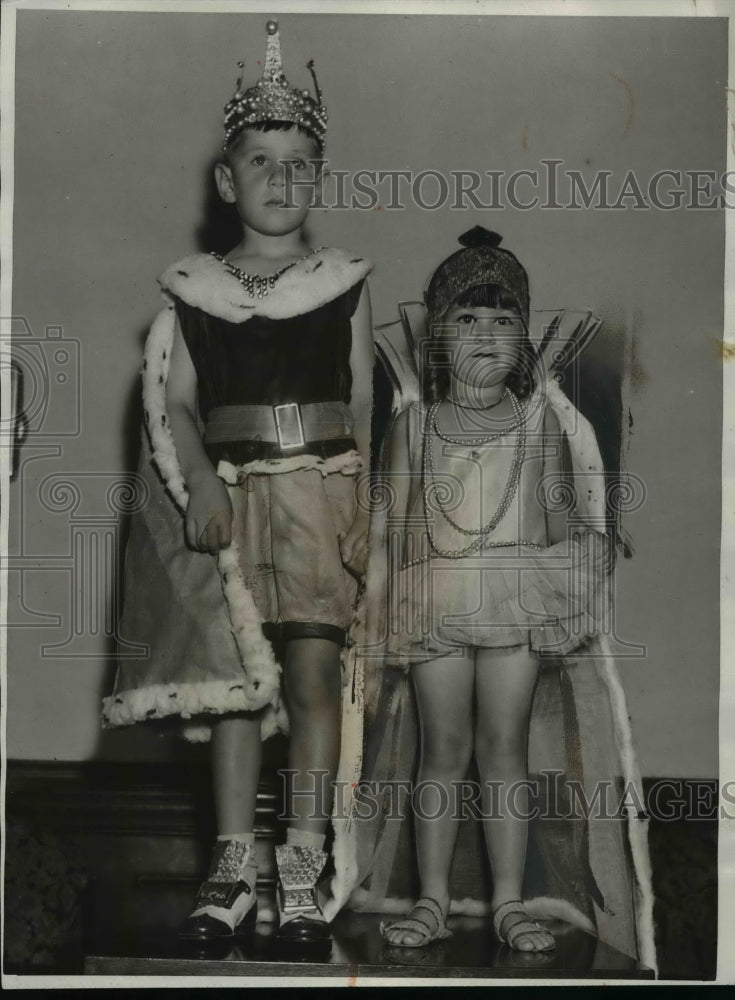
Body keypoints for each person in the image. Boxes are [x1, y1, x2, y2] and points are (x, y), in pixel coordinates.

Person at [102, 19, 373, 948]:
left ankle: (299, 866)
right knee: (232, 687)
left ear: (319, 178)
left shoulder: (341, 281)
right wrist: (202, 486)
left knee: (312, 675)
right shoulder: (195, 289)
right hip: (230, 495)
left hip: (319, 494)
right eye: (261, 161)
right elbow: (173, 403)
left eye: (298, 164)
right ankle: (230, 870)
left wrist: (362, 508)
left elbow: (363, 403)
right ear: (227, 181)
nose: (280, 178)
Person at [377, 227, 614, 952]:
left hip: (516, 592)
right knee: (442, 746)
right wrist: (392, 604)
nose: (485, 333)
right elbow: (397, 528)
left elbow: (555, 514)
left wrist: (590, 544)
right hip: (435, 598)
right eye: (468, 317)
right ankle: (432, 900)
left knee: (503, 744)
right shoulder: (413, 426)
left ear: (524, 340)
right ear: (437, 338)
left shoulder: (539, 422)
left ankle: (509, 901)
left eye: (504, 319)